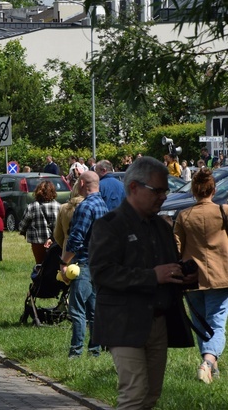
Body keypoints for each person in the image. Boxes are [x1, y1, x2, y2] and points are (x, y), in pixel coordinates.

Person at [91, 156, 193, 408]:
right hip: (123, 322)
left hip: (158, 322)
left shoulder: (161, 225)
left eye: (165, 191)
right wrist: (153, 276)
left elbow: (167, 268)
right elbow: (102, 273)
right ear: (134, 187)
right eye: (157, 190)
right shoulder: (109, 225)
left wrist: (183, 276)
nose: (163, 197)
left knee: (150, 395)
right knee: (134, 393)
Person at [173, 168, 228, 384]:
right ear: (214, 189)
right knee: (217, 321)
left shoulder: (184, 215)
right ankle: (208, 362)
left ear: (194, 192)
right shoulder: (224, 211)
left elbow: (177, 248)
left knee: (201, 324)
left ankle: (211, 368)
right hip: (221, 276)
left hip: (192, 277)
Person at [62, 171, 108, 358]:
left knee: (76, 309)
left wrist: (63, 261)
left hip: (84, 263)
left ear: (81, 183)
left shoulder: (85, 206)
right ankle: (94, 350)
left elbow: (76, 238)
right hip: (100, 263)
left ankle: (75, 352)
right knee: (93, 310)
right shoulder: (102, 205)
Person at [18, 180, 61, 265]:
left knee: (40, 264)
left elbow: (23, 225)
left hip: (38, 242)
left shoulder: (32, 206)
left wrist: (22, 231)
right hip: (55, 241)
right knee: (54, 265)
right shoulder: (59, 207)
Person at [52, 180, 84, 251]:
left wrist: (64, 244)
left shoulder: (63, 208)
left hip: (67, 249)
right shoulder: (94, 205)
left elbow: (57, 235)